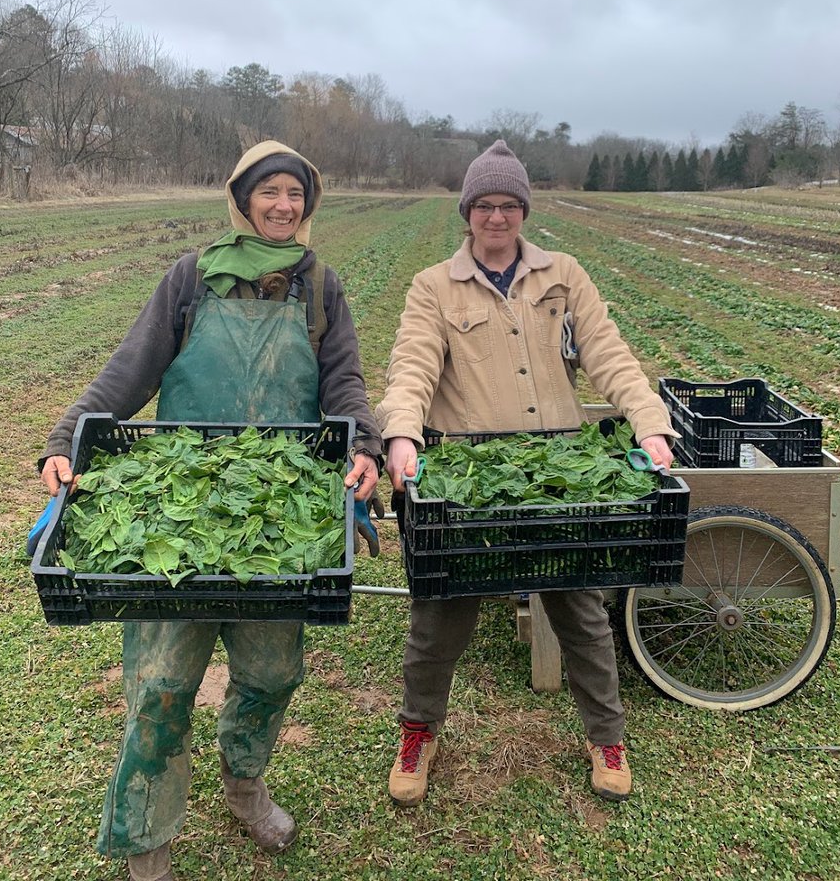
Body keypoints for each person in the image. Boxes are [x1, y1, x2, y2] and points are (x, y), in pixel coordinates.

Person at [40, 140, 382, 881]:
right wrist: (68, 437)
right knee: (161, 684)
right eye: (270, 192)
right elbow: (129, 370)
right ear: (242, 198)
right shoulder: (191, 279)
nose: (284, 205)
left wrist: (366, 446)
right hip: (180, 504)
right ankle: (145, 838)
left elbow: (345, 384)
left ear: (309, 202)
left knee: (270, 671)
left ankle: (245, 784)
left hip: (276, 509)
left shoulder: (320, 286)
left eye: (295, 193)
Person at [375, 139, 675, 808]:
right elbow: (413, 364)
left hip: (559, 469)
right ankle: (418, 734)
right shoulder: (434, 286)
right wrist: (400, 434)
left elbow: (608, 351)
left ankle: (607, 737)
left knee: (582, 610)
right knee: (439, 620)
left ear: (524, 210)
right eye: (485, 204)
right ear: (467, 211)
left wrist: (649, 424)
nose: (497, 217)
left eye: (509, 204)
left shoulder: (562, 275)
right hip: (470, 476)